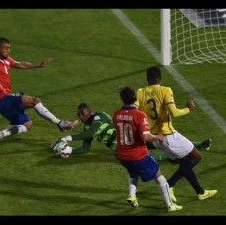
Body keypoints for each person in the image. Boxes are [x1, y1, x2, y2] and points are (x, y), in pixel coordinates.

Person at [0, 37, 78, 144]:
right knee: (35, 101)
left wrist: (39, 65)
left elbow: (20, 64)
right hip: (2, 98)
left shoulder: (7, 60)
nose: (8, 50)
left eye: (9, 48)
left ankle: (1, 134)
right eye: (6, 48)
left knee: (28, 124)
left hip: (2, 103)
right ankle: (60, 123)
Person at [135, 66, 217, 202]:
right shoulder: (165, 90)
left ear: (147, 78)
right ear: (160, 78)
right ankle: (170, 184)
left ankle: (200, 192)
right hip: (168, 135)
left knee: (185, 162)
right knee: (196, 157)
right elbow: (174, 112)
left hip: (154, 138)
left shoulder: (140, 92)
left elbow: (135, 111)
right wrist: (188, 109)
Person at [112, 86, 182, 212]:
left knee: (133, 173)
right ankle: (170, 205)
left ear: (122, 99)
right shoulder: (139, 115)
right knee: (159, 175)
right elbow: (145, 136)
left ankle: (132, 195)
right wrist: (158, 137)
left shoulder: (116, 114)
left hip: (123, 155)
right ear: (135, 98)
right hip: (138, 155)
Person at [54, 102, 212, 157]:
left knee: (164, 142)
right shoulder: (87, 126)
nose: (80, 117)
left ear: (88, 112)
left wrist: (69, 138)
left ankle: (198, 145)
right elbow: (86, 148)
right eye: (79, 115)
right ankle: (180, 155)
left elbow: (90, 133)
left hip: (132, 140)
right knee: (156, 148)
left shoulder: (98, 117)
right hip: (124, 148)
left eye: (81, 114)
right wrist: (69, 151)